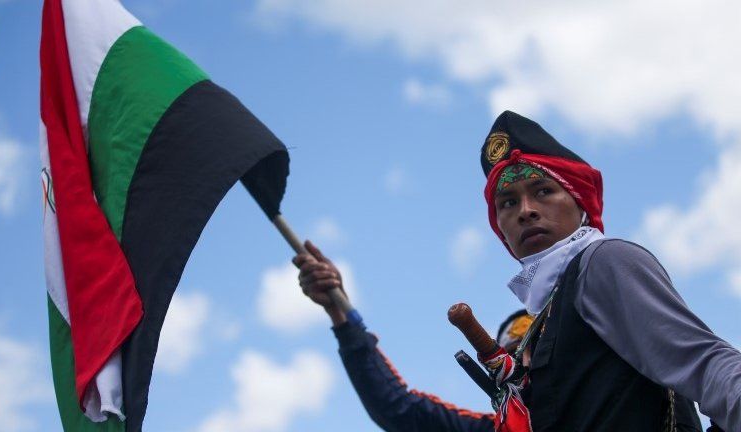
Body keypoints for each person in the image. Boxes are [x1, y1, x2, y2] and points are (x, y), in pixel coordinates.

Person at [295, 110, 740, 431]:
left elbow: (708, 365)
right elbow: (400, 410)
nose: (525, 211)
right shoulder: (517, 419)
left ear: (580, 204)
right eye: (507, 203)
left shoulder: (603, 262)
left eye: (543, 191)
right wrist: (340, 311)